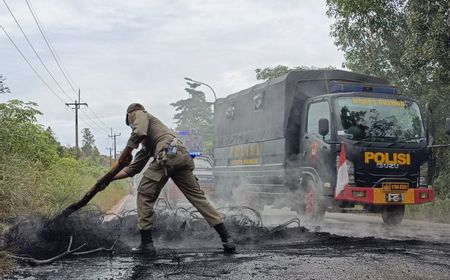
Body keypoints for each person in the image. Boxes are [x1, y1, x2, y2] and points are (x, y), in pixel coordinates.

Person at [108, 103, 236, 255]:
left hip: (167, 154)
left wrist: (127, 151)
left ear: (130, 114)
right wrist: (109, 178)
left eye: (131, 123)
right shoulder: (149, 143)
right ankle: (227, 239)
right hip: (181, 156)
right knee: (198, 198)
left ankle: (146, 245)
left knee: (144, 193)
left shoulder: (139, 113)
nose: (132, 126)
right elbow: (133, 169)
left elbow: (139, 131)